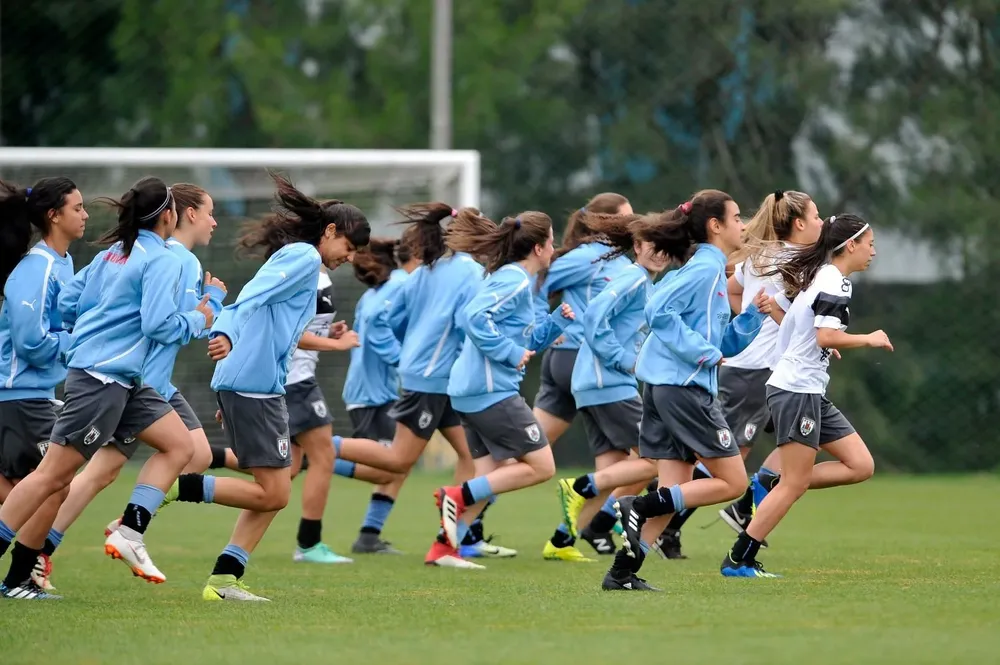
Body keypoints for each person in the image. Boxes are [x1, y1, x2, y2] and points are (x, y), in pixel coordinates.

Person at [0, 176, 214, 587]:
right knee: (51, 478)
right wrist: (198, 319)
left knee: (181, 445)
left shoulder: (113, 253)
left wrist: (98, 325)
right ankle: (20, 574)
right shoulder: (165, 259)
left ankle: (129, 531)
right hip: (100, 380)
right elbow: (158, 325)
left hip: (124, 379)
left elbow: (69, 302)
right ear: (169, 216)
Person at [169, 173, 370, 601]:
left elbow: (278, 330)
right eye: (348, 247)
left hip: (260, 387)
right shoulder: (303, 257)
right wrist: (226, 334)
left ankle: (225, 579)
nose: (349, 258)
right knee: (275, 491)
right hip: (254, 388)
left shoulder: (305, 263)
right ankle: (179, 487)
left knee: (274, 491)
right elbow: (249, 297)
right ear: (329, 231)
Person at [601, 190, 773, 592]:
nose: (743, 224)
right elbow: (658, 311)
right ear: (715, 226)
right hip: (683, 390)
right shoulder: (707, 268)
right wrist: (703, 353)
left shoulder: (706, 267)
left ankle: (621, 573)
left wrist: (751, 316)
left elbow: (720, 343)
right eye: (736, 217)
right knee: (733, 482)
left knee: (674, 492)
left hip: (667, 388)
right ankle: (636, 504)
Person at [334, 204, 510, 565]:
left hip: (438, 380)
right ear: (478, 240)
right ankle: (318, 444)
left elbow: (389, 317)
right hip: (433, 380)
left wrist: (411, 350)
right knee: (398, 461)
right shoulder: (470, 273)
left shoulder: (428, 269)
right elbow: (471, 324)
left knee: (475, 457)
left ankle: (451, 540)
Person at [720, 214, 889, 577]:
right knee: (794, 484)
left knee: (860, 465)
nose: (874, 251)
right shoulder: (834, 282)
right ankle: (739, 559)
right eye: (870, 243)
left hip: (807, 389)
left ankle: (773, 483)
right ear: (851, 246)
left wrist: (815, 342)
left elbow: (782, 312)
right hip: (796, 389)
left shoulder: (820, 274)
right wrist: (867, 338)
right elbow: (825, 335)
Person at [433, 211, 574, 569]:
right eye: (552, 241)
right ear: (538, 248)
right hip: (490, 391)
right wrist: (509, 352)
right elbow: (473, 317)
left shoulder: (517, 280)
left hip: (473, 390)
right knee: (542, 466)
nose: (554, 248)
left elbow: (526, 343)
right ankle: (456, 495)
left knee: (490, 476)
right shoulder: (514, 279)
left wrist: (555, 322)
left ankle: (445, 548)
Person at [549, 211, 670, 563]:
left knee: (612, 471)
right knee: (657, 458)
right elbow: (594, 316)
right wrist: (623, 359)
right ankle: (578, 486)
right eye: (651, 245)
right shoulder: (633, 278)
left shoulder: (644, 281)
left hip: (596, 383)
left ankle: (560, 541)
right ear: (637, 246)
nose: (659, 253)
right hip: (607, 382)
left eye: (665, 247)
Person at [711, 189, 823, 542]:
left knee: (810, 438)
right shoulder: (796, 261)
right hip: (755, 369)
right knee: (729, 457)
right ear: (799, 223)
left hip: (773, 370)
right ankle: (658, 514)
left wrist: (746, 321)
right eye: (816, 216)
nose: (821, 222)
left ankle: (747, 503)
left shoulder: (760, 256)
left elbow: (731, 290)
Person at [0, 177, 87, 599]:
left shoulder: (63, 263)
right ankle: (18, 579)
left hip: (35, 394)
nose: (85, 215)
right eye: (77, 208)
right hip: (21, 394)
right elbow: (31, 342)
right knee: (54, 482)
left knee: (38, 485)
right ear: (54, 215)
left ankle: (19, 579)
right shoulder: (38, 267)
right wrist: (77, 343)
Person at [532, 193, 634, 446]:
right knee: (656, 449)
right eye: (626, 218)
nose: (632, 224)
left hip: (572, 360)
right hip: (579, 357)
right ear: (604, 222)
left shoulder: (618, 258)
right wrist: (543, 325)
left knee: (533, 449)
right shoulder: (591, 257)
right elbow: (537, 279)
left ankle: (487, 473)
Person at [342, 237, 412, 554]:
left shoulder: (372, 294)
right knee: (391, 466)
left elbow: (363, 333)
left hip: (372, 391)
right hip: (374, 395)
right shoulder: (398, 284)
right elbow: (380, 333)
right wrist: (409, 363)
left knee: (398, 465)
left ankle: (369, 535)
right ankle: (314, 457)